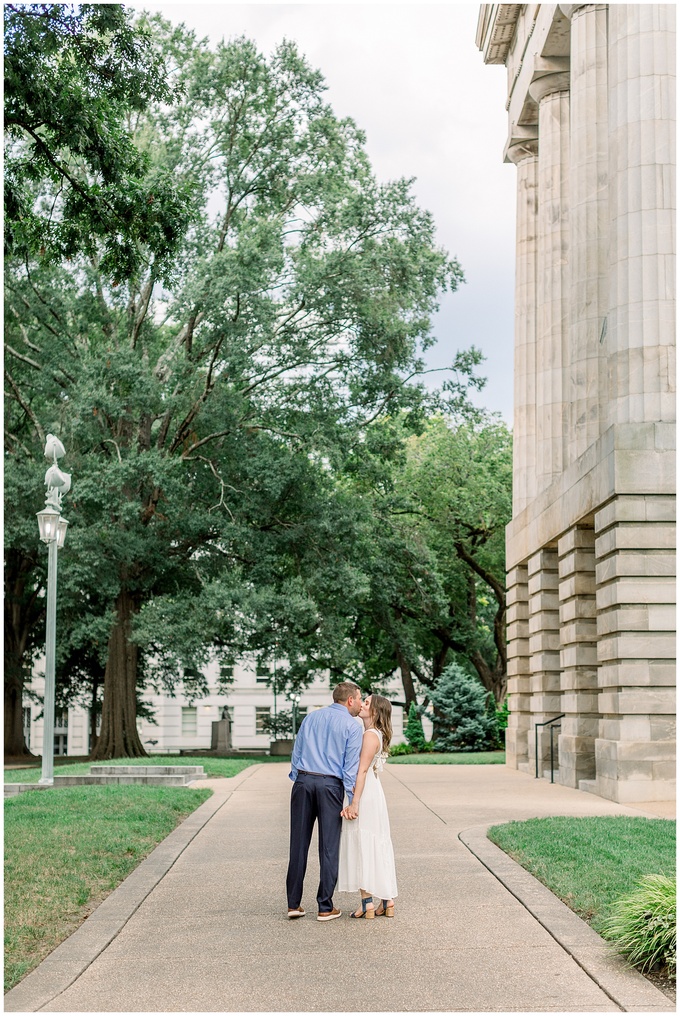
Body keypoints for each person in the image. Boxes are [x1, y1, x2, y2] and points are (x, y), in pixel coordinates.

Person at [286, 681, 364, 921]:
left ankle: (293, 904)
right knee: (329, 846)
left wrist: (298, 778)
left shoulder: (311, 718)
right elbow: (350, 768)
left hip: (303, 782)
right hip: (330, 785)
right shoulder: (353, 726)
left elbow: (296, 752)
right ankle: (325, 906)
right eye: (359, 699)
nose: (361, 703)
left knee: (298, 844)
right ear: (350, 700)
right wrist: (352, 800)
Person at [337, 693, 398, 918]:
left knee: (363, 844)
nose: (362, 704)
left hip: (364, 792)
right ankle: (387, 900)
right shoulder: (374, 734)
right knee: (375, 843)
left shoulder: (370, 736)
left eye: (367, 703)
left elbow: (361, 770)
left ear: (375, 711)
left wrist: (354, 802)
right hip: (372, 790)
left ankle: (367, 903)